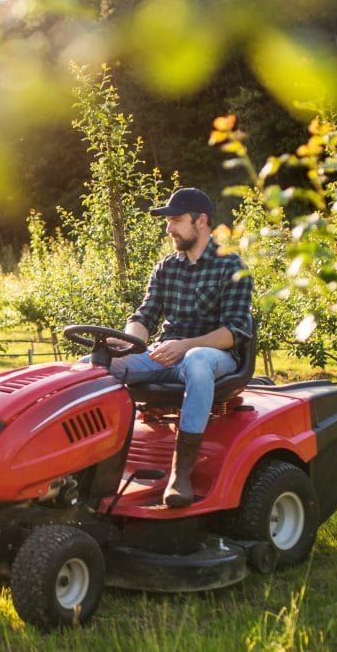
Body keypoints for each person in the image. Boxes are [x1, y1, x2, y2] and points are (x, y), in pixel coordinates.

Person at [108, 187, 253, 508]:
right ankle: (96, 461)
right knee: (99, 364)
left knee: (198, 360)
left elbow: (235, 331)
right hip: (168, 352)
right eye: (168, 221)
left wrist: (185, 346)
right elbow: (144, 316)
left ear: (201, 221)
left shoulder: (231, 267)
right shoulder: (166, 268)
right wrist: (128, 342)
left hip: (216, 357)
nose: (168, 228)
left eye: (175, 220)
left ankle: (181, 473)